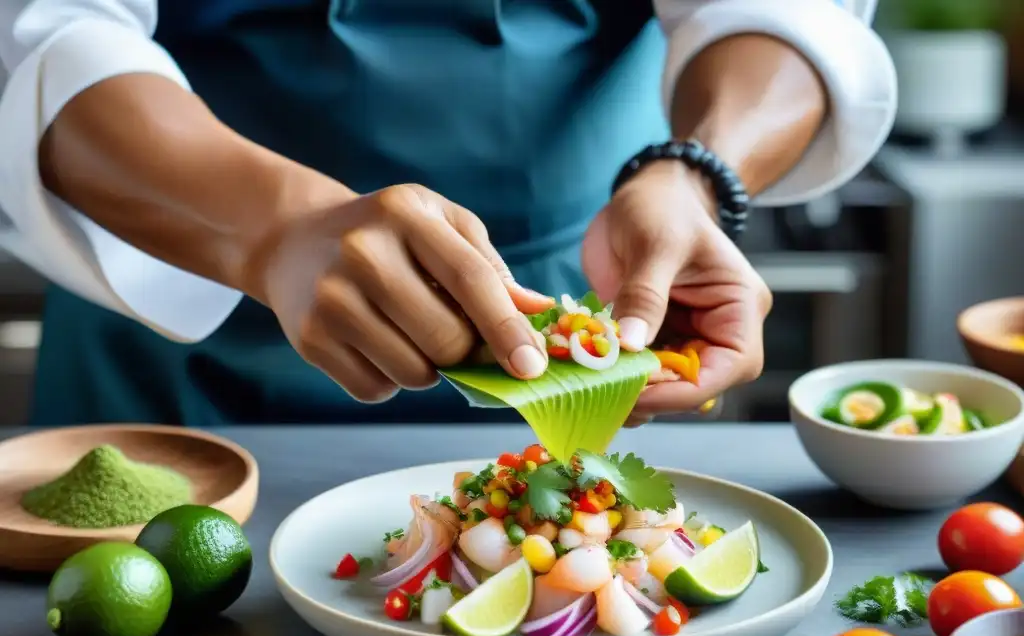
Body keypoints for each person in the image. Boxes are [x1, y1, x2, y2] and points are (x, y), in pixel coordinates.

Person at [0, 0, 895, 427]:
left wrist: (691, 172)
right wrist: (274, 230)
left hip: (568, 328)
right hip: (167, 338)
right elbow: (43, 33)